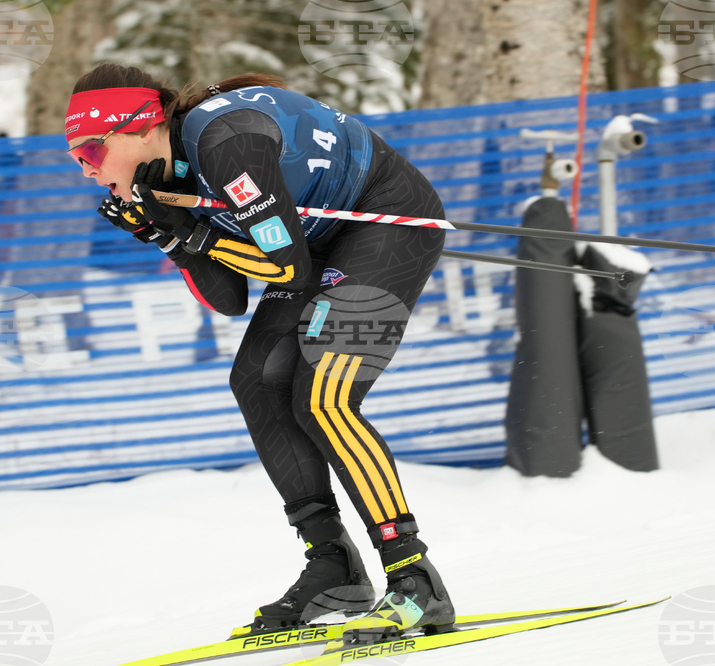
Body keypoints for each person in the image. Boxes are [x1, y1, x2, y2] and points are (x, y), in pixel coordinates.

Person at [65, 64, 454, 641]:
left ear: (143, 127)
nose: (90, 172)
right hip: (313, 240)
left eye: (94, 153)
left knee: (324, 397)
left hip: (388, 220)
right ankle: (333, 567)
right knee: (257, 379)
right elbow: (228, 297)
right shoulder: (166, 169)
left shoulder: (226, 146)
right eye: (78, 160)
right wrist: (169, 235)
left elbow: (284, 268)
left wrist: (194, 234)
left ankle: (413, 578)